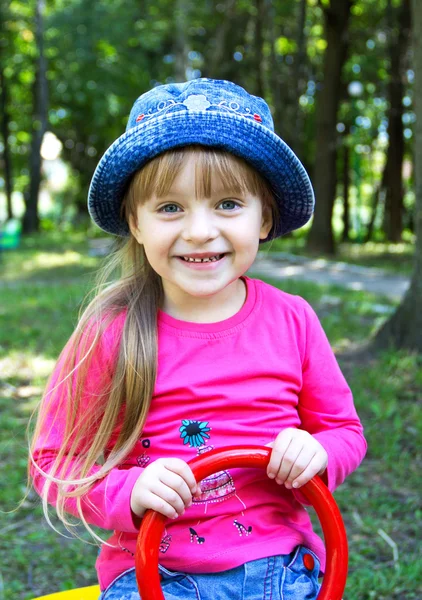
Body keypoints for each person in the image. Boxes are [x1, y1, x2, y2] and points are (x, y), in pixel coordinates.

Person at [30, 78, 367, 600]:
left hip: (279, 567)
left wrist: (317, 452)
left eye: (228, 204)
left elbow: (344, 431)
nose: (200, 231)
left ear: (265, 217)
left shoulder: (293, 320)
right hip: (151, 572)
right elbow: (54, 464)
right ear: (135, 223)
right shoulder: (112, 330)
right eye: (170, 208)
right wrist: (129, 491)